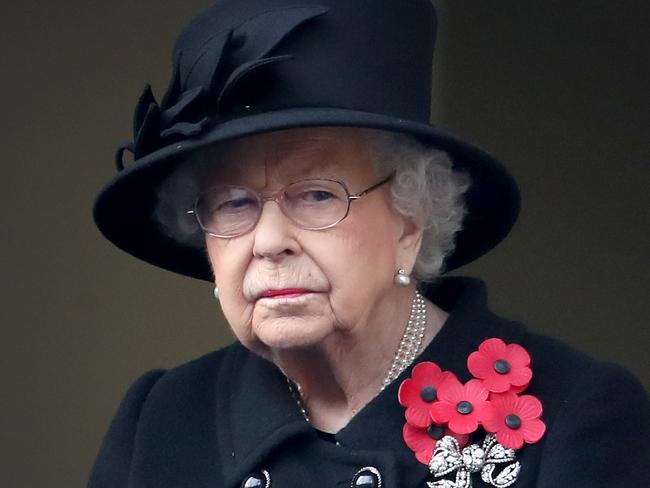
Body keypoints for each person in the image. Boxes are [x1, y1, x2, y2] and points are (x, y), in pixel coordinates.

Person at [89, 0, 650, 486]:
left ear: (412, 219)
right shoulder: (160, 419)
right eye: (234, 203)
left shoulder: (580, 415)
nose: (268, 241)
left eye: (315, 195)